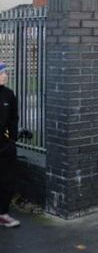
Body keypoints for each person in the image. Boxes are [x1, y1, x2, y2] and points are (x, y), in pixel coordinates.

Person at [0, 61, 20, 228]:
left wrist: (12, 139)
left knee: (7, 180)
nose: (5, 75)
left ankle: (2, 214)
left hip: (5, 146)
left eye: (5, 72)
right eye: (1, 73)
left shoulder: (9, 94)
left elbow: (14, 117)